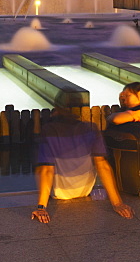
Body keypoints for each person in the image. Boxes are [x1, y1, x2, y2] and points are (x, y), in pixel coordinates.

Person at [32, 93, 133, 224]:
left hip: (59, 193)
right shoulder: (91, 129)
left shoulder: (50, 130)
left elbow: (46, 170)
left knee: (41, 164)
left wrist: (41, 207)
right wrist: (117, 203)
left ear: (58, 108)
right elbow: (102, 165)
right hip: (85, 190)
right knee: (100, 159)